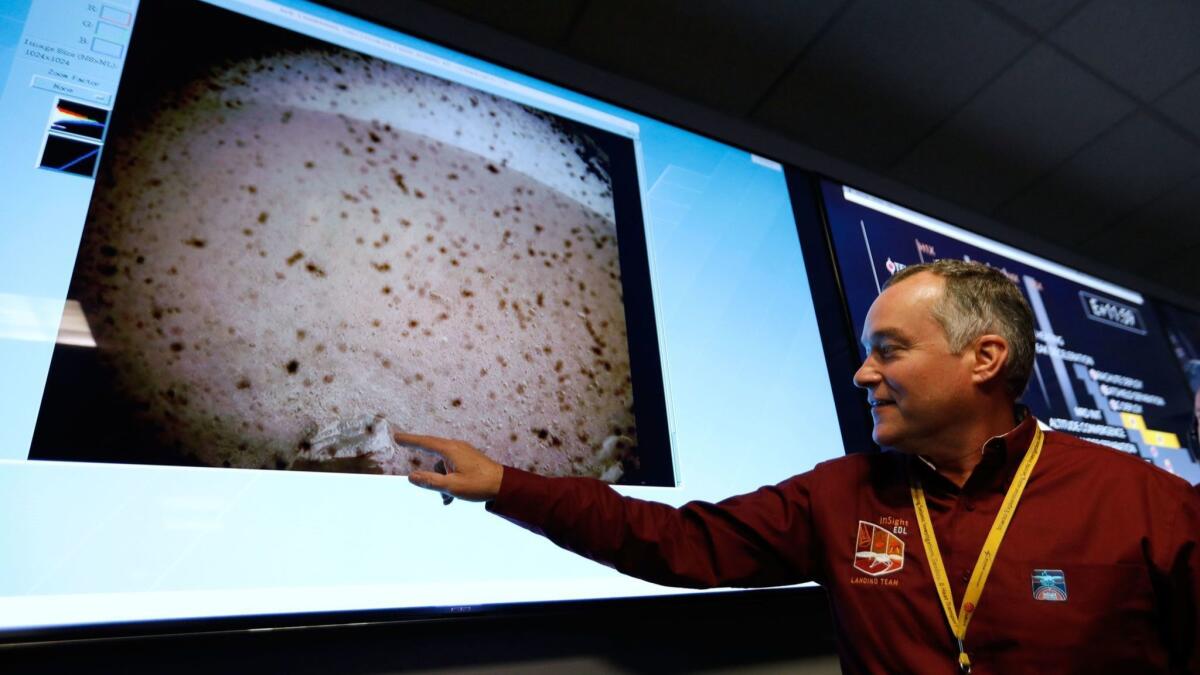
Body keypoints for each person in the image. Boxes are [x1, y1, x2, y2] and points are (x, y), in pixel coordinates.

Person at [396, 260, 1200, 673]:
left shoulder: (1147, 505)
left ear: (984, 358)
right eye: (864, 353)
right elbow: (672, 541)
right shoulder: (839, 494)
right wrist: (508, 484)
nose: (863, 374)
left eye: (889, 350)